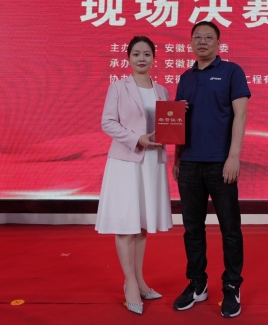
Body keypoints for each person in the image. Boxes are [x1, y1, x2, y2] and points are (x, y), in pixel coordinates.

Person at [172, 21, 250, 318]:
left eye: (208, 37)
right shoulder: (185, 77)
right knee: (192, 229)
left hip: (221, 163)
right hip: (189, 164)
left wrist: (234, 157)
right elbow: (177, 120)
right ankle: (197, 283)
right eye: (197, 37)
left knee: (230, 228)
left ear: (219, 43)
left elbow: (240, 115)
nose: (202, 42)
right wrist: (177, 158)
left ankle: (231, 285)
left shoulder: (232, 72)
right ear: (191, 43)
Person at [95, 36, 173, 315]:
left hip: (152, 164)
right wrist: (136, 139)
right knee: (126, 223)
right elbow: (107, 122)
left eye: (147, 54)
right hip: (126, 162)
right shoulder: (118, 87)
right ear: (128, 58)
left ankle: (140, 280)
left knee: (141, 224)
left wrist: (179, 116)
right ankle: (129, 283)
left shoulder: (162, 91)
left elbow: (167, 126)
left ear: (154, 58)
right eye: (137, 54)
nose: (142, 58)